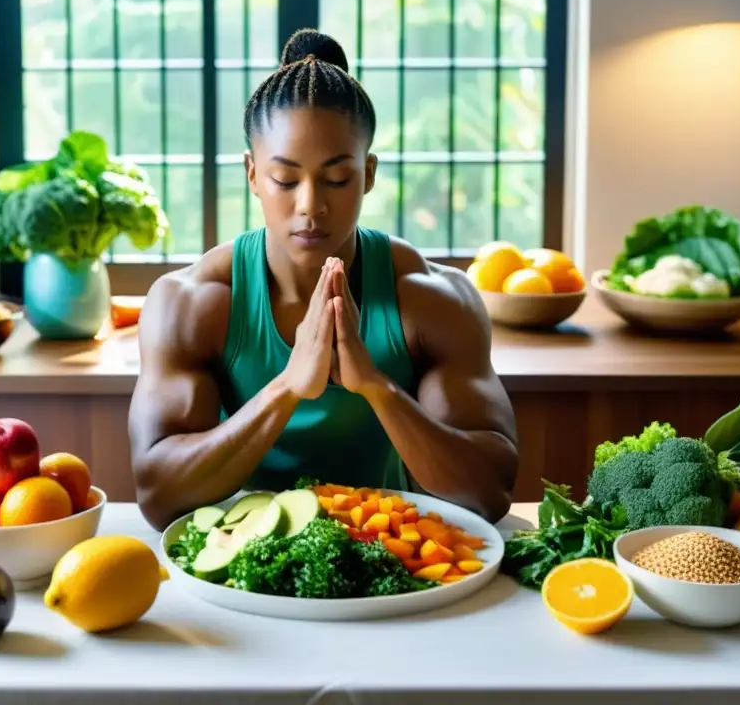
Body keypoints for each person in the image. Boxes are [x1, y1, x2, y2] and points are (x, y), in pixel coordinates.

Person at [128, 29, 519, 530]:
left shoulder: (430, 298)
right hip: (240, 570)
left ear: (369, 174)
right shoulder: (192, 302)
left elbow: (490, 490)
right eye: (285, 180)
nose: (310, 204)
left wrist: (377, 386)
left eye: (337, 179)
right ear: (252, 175)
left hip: (388, 560)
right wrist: (289, 386)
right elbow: (159, 495)